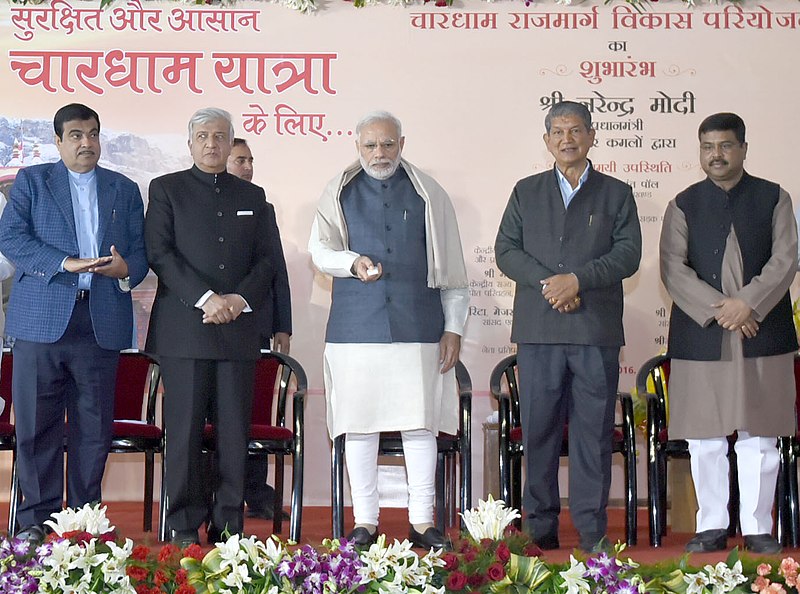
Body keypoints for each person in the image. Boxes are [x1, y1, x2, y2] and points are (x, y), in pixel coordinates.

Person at [309, 110, 469, 549]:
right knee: (359, 427)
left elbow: (454, 272)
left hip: (419, 327)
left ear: (403, 143)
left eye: (388, 144)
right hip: (354, 330)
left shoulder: (429, 194)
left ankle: (422, 521)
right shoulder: (338, 191)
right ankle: (365, 521)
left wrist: (453, 328)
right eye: (370, 146)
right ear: (356, 145)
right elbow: (319, 250)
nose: (379, 154)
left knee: (421, 425)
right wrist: (351, 262)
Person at [494, 100, 642, 553]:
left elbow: (628, 254)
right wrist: (552, 285)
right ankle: (539, 526)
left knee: (592, 434)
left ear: (592, 136)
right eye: (557, 132)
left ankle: (592, 530)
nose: (566, 139)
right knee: (537, 430)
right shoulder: (526, 190)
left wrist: (579, 280)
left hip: (594, 332)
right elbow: (506, 250)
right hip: (539, 332)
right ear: (546, 141)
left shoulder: (616, 192)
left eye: (575, 130)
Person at [0, 103, 147, 544]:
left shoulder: (123, 188)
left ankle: (84, 525)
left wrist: (125, 270)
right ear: (59, 141)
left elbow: (140, 253)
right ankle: (33, 521)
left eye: (94, 134)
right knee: (36, 426)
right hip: (40, 320)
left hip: (99, 322)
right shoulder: (32, 181)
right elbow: (10, 237)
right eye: (77, 135)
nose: (88, 143)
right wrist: (67, 262)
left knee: (93, 430)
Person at [659, 113, 797, 554]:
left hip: (764, 330)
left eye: (724, 146)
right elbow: (672, 269)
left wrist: (748, 304)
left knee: (760, 436)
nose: (715, 155)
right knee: (705, 437)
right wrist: (725, 311)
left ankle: (758, 527)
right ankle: (712, 525)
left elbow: (786, 260)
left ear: (743, 149)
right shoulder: (683, 203)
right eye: (707, 147)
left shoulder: (775, 198)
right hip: (702, 337)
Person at [145, 108, 279, 546]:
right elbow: (160, 253)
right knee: (182, 436)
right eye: (202, 136)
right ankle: (183, 525)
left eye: (220, 136)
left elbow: (266, 262)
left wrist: (237, 301)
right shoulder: (166, 189)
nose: (211, 144)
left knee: (234, 437)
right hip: (185, 331)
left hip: (238, 332)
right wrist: (208, 299)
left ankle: (228, 525)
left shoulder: (253, 196)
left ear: (230, 141)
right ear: (190, 143)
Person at [226, 137, 291, 520]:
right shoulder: (199, 203)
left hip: (254, 326)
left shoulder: (262, 207)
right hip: (211, 327)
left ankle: (256, 492)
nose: (247, 167)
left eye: (250, 159)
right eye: (240, 160)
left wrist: (283, 324)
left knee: (252, 414)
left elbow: (276, 269)